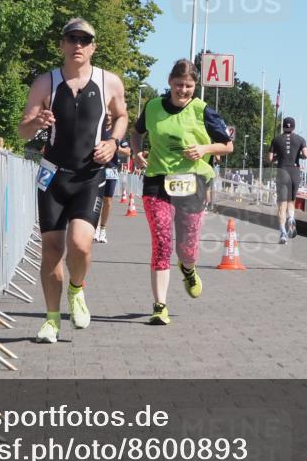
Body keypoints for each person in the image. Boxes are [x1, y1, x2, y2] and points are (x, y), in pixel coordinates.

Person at [17, 18, 128, 344]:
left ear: (93, 46)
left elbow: (121, 116)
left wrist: (113, 142)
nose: (78, 45)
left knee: (80, 245)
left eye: (84, 39)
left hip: (88, 176)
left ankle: (77, 290)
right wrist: (35, 122)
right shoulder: (45, 83)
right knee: (51, 250)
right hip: (53, 177)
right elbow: (22, 130)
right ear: (62, 44)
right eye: (72, 38)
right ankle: (51, 321)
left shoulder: (109, 82)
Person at [130, 59, 233, 325]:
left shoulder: (203, 110)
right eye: (178, 85)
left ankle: (187, 268)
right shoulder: (153, 107)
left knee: (187, 247)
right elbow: (137, 132)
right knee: (163, 241)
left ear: (195, 86)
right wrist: (136, 152)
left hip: (192, 181)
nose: (183, 91)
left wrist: (204, 150)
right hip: (157, 179)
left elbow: (227, 145)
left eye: (188, 86)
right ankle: (159, 305)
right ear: (169, 82)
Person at [267, 116, 307, 243]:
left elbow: (269, 158)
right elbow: (306, 154)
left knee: (281, 204)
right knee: (291, 201)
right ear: (294, 127)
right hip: (294, 172)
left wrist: (277, 156)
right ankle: (291, 217)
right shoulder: (301, 139)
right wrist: (298, 155)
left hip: (282, 171)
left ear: (283, 126)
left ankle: (283, 233)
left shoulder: (276, 140)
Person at [95, 114, 131, 243]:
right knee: (94, 198)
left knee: (107, 200)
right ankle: (95, 227)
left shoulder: (117, 134)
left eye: (111, 115)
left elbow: (128, 151)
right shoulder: (96, 129)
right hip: (96, 168)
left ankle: (103, 228)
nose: (108, 117)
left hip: (111, 169)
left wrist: (116, 147)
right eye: (106, 114)